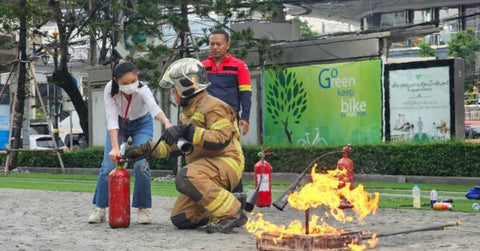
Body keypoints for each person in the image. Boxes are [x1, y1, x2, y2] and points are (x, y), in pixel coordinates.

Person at [126, 58, 247, 233]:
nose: (173, 94)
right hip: (205, 168)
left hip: (226, 162)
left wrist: (188, 131)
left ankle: (233, 212)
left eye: (174, 88)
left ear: (186, 86)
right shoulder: (189, 111)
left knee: (184, 176)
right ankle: (229, 203)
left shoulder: (215, 107)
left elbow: (221, 138)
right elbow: (180, 147)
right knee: (181, 217)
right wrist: (145, 151)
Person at [88, 60, 172, 224]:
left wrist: (167, 122)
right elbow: (111, 119)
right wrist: (115, 148)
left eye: (133, 81)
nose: (130, 86)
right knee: (108, 166)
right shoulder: (109, 90)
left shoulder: (142, 88)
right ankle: (100, 208)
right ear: (116, 80)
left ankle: (142, 208)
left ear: (137, 76)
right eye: (125, 83)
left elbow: (154, 108)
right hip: (119, 124)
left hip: (142, 123)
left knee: (141, 164)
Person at [202, 29, 252, 193]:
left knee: (232, 155)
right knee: (207, 155)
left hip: (230, 119)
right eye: (212, 44)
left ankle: (237, 194)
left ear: (227, 45)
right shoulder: (202, 67)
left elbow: (245, 93)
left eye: (219, 44)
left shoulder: (239, 66)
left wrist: (245, 117)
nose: (215, 47)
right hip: (206, 120)